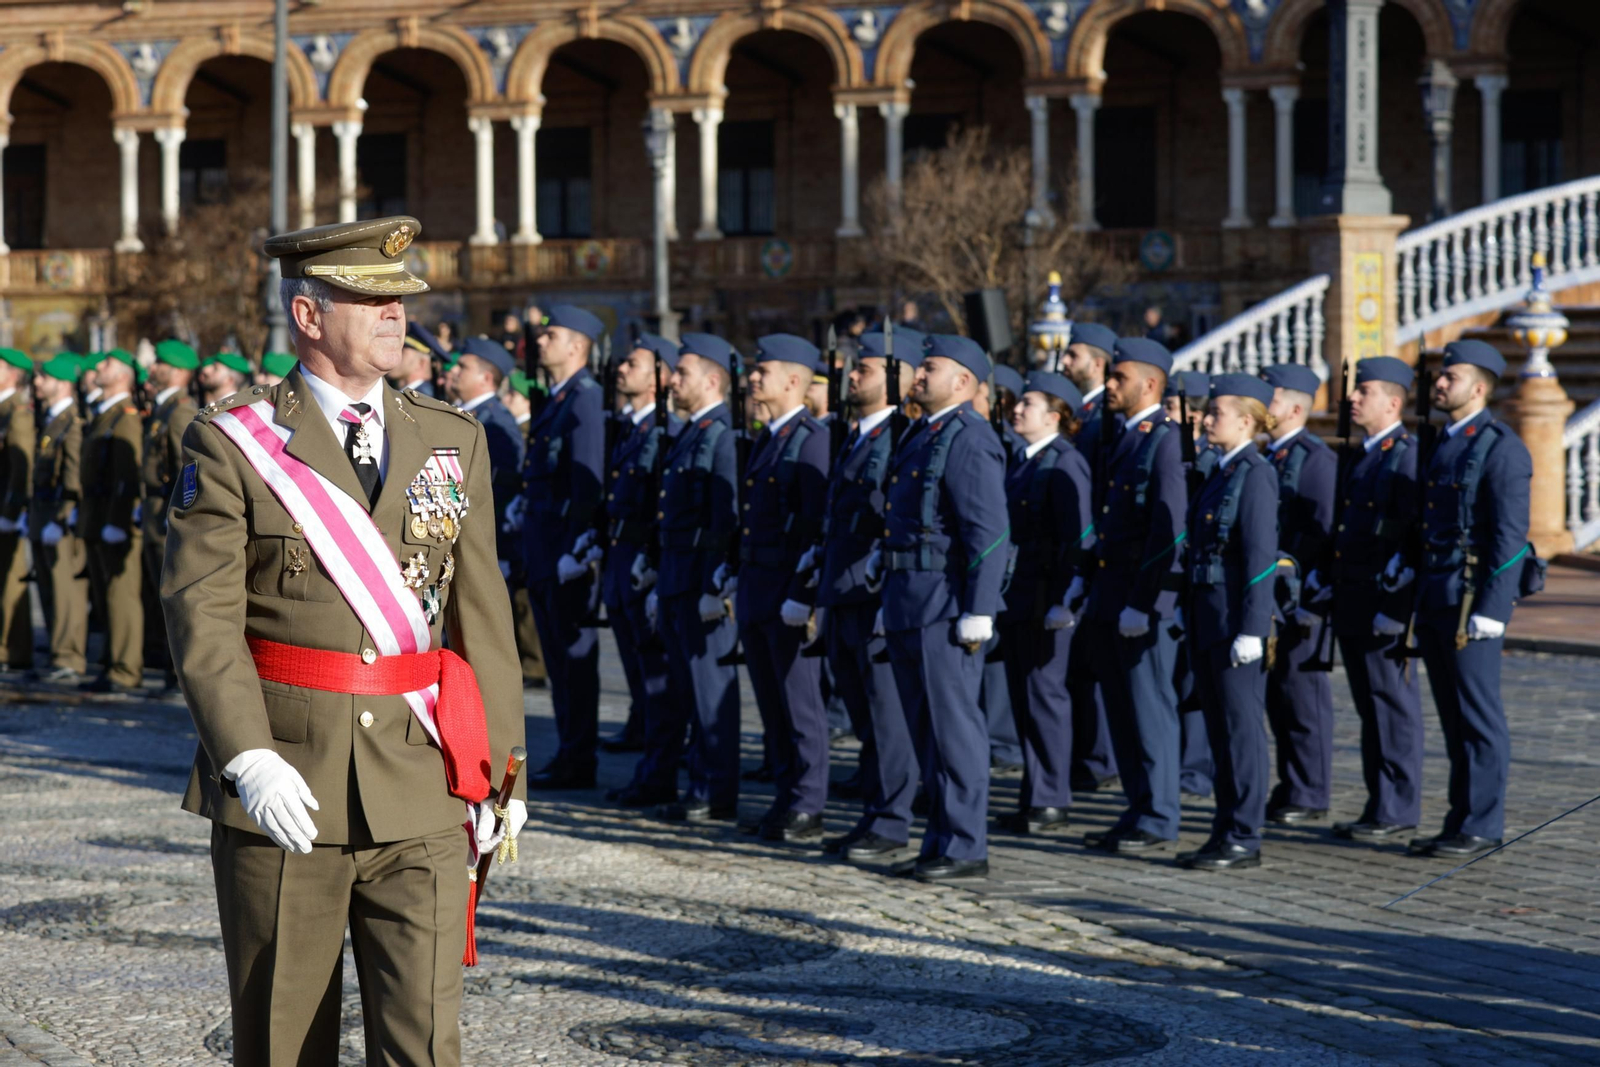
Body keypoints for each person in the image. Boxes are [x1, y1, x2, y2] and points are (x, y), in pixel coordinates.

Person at [162, 217, 526, 1067]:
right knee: (285, 1041)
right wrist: (245, 756)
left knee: (424, 1046)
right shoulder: (232, 442)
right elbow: (201, 615)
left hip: (424, 784)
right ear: (309, 315)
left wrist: (503, 767)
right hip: (290, 785)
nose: (396, 314)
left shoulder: (452, 437)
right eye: (370, 298)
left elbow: (481, 613)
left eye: (400, 299)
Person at [878, 334, 1010, 881]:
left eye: (929, 367)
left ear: (962, 381)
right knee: (926, 732)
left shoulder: (969, 438)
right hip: (910, 599)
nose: (918, 374)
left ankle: (965, 847)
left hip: (945, 603)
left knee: (955, 731)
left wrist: (980, 608)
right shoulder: (923, 433)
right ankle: (940, 839)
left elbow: (988, 530)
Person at [1409, 340, 1533, 859]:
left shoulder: (1501, 447)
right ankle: (1460, 817)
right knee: (1453, 715)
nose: (1439, 383)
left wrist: (1494, 609)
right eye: (1439, 375)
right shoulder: (1443, 442)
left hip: (1470, 602)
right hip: (1438, 594)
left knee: (1478, 714)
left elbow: (1510, 539)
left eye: (1450, 376)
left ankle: (1483, 823)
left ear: (1478, 388)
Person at [815, 326, 922, 860]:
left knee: (888, 719)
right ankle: (875, 811)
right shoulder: (856, 434)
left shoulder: (902, 435)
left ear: (897, 378)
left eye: (865, 369)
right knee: (864, 718)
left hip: (873, 595)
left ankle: (892, 821)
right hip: (843, 593)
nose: (851, 376)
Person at [1081, 337, 1186, 855]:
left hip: (1139, 603)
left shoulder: (1164, 440)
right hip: (1109, 595)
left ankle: (1161, 814)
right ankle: (1137, 806)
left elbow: (1168, 536)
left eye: (1118, 378)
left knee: (1149, 710)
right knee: (1121, 712)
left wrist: (1147, 604)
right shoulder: (1120, 437)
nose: (1109, 385)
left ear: (1149, 384)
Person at [729, 335, 830, 842]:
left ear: (793, 380)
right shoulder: (770, 436)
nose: (752, 378)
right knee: (772, 705)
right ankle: (786, 795)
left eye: (761, 371)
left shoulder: (811, 438)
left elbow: (815, 528)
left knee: (800, 705)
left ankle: (809, 802)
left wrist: (804, 593)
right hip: (757, 587)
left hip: (787, 590)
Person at [1320, 356, 1423, 845]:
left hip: (1384, 603)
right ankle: (1378, 801)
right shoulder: (1365, 454)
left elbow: (1411, 539)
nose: (1352, 398)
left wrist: (1398, 608)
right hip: (1355, 599)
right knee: (1370, 706)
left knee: (1391, 705)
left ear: (1394, 403)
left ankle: (1397, 806)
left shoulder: (1404, 455)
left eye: (1365, 392)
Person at [1179, 374, 1280, 871]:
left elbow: (1260, 557)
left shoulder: (1254, 473)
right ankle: (1224, 828)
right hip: (1206, 617)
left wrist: (1253, 628)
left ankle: (1245, 834)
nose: (1205, 419)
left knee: (1241, 731)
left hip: (1234, 621)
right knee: (1219, 730)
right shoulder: (1218, 471)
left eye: (1216, 413)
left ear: (1245, 421)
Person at [995, 371, 1093, 836]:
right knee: (1025, 700)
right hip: (1018, 598)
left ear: (1055, 417)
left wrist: (1065, 598)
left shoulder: (1064, 463)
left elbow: (1076, 537)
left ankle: (1051, 799)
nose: (1017, 408)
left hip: (1045, 601)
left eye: (1028, 404)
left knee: (1045, 699)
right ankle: (1035, 795)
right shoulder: (1024, 461)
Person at [650, 333, 742, 823]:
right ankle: (699, 783)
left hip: (700, 581)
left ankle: (716, 791)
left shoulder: (722, 433)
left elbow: (722, 520)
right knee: (689, 690)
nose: (673, 380)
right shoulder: (691, 430)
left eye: (682, 373)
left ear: (710, 380)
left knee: (711, 694)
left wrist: (715, 586)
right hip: (676, 577)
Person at [519, 305, 606, 791]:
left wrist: (579, 547)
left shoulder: (584, 400)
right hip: (545, 550)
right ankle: (572, 750)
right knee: (558, 659)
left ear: (577, 346)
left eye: (552, 335)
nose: (541, 342)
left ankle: (580, 755)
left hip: (566, 555)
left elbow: (587, 483)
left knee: (574, 660)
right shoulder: (557, 398)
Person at [599, 334, 682, 808]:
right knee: (639, 677)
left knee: (656, 680)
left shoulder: (660, 432)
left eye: (634, 363)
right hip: (620, 556)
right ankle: (650, 767)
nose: (622, 369)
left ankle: (659, 773)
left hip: (643, 562)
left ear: (660, 378)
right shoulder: (633, 429)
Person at [1260, 362, 1337, 825]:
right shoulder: (1273, 455)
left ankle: (1310, 790)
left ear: (1293, 407)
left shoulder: (1315, 458)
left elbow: (1324, 530)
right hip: (1274, 596)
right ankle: (1292, 784)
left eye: (1270, 399)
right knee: (1280, 695)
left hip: (1303, 597)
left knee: (1302, 695)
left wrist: (1313, 589)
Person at [1060, 322, 1118, 793]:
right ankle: (1084, 753)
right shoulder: (1079, 411)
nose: (1064, 363)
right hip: (1069, 548)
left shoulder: (1105, 417)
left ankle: (1097, 757)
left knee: (1093, 663)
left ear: (1097, 364)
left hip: (1094, 547)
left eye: (1072, 356)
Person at [1164, 368, 1216, 802]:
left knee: (1194, 680)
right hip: (1174, 579)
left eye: (1172, 408)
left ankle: (1197, 767)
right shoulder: (1169, 453)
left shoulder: (1209, 460)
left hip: (1196, 579)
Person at [80, 349, 143, 695]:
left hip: (113, 518)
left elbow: (127, 475)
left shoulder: (125, 417)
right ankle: (109, 662)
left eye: (105, 364)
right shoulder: (105, 414)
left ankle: (125, 668)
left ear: (121, 375)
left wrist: (119, 520)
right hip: (97, 515)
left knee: (121, 596)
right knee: (105, 596)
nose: (97, 368)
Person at [142, 340, 201, 692]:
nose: (153, 369)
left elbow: (187, 469)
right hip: (152, 511)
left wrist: (179, 510)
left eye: (160, 364)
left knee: (173, 596)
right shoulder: (164, 409)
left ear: (177, 371)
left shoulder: (179, 412)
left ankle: (176, 673)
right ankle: (167, 668)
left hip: (167, 511)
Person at [30, 355, 88, 684]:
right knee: (49, 589)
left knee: (66, 592)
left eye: (45, 377)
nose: (38, 382)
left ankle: (69, 658)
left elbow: (73, 475)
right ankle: (57, 654)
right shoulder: (52, 419)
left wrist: (64, 517)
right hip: (42, 513)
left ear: (63, 383)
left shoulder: (71, 421)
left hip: (59, 517)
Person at [501, 370, 545, 688]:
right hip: (519, 521)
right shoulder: (522, 428)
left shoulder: (528, 430)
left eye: (513, 396)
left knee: (525, 596)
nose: (507, 401)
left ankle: (534, 664)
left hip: (527, 526)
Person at [0, 348, 34, 672]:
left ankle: (15, 650)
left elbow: (20, 467)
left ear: (12, 374)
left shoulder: (17, 411)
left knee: (11, 581)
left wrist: (10, 513)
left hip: (4, 512)